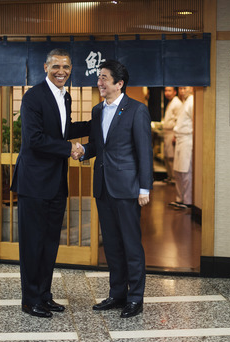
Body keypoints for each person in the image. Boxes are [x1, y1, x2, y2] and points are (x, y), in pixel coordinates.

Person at [10, 48, 90, 318]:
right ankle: (29, 299)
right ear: (45, 67)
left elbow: (63, 131)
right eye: (56, 66)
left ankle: (44, 295)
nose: (61, 72)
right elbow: (35, 139)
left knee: (49, 243)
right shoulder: (33, 96)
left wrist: (96, 123)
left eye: (66, 67)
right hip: (34, 182)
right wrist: (69, 149)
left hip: (56, 182)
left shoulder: (64, 96)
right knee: (32, 244)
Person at [77, 60, 153, 318]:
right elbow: (98, 146)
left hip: (128, 188)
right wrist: (82, 151)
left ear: (119, 84)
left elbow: (144, 151)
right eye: (99, 77)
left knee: (131, 244)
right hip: (103, 187)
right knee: (111, 245)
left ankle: (135, 298)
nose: (100, 82)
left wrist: (145, 187)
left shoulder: (137, 110)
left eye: (105, 78)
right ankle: (117, 293)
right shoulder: (98, 110)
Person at [169, 86, 194, 210]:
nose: (182, 91)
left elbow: (194, 123)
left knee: (186, 171)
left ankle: (187, 200)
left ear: (192, 88)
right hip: (179, 138)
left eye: (185, 88)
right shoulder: (184, 102)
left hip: (187, 139)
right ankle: (180, 198)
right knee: (178, 171)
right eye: (181, 89)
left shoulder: (192, 101)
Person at [162, 87, 182, 184]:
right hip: (167, 132)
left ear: (175, 92)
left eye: (169, 91)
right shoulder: (171, 102)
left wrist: (175, 135)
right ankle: (170, 177)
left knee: (171, 156)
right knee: (167, 156)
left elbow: (179, 121)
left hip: (172, 132)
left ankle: (174, 178)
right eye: (166, 90)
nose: (167, 93)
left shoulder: (177, 103)